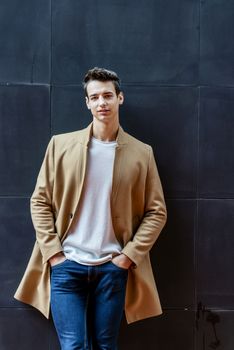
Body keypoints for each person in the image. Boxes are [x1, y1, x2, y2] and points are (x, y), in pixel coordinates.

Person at [14, 67, 167, 349]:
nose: (102, 103)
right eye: (94, 97)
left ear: (120, 98)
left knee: (106, 345)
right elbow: (39, 201)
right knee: (74, 346)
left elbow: (156, 211)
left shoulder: (141, 152)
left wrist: (128, 257)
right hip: (67, 265)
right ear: (87, 102)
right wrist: (54, 254)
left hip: (113, 267)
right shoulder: (60, 145)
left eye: (108, 95)